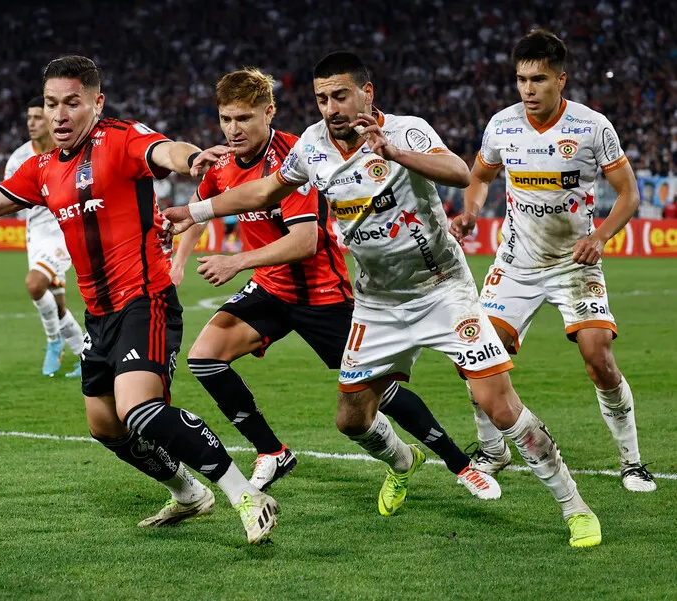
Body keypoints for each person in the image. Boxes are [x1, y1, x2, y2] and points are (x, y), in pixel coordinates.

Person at [164, 51, 601, 548]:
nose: (331, 107)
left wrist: (393, 153)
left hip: (442, 291)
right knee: (350, 419)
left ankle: (574, 506)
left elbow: (457, 172)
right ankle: (401, 461)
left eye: (341, 95)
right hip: (377, 304)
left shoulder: (407, 130)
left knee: (499, 407)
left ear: (366, 93)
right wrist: (194, 210)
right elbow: (265, 191)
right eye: (322, 98)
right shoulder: (311, 145)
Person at [0, 55, 279, 544]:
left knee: (138, 408)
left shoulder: (120, 139)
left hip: (146, 300)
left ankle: (245, 495)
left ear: (96, 104)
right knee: (105, 426)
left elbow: (166, 151)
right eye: (51, 104)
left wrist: (191, 161)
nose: (59, 115)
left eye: (71, 104)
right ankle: (188, 493)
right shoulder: (41, 170)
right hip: (99, 314)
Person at [170, 68, 500, 499]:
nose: (233, 130)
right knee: (205, 358)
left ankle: (459, 464)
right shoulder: (223, 165)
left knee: (380, 391)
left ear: (269, 112)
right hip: (272, 290)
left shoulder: (297, 155)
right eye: (226, 120)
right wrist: (178, 262)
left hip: (321, 294)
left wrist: (238, 261)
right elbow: (201, 209)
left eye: (244, 119)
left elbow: (305, 241)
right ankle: (272, 451)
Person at [451, 29, 655, 493]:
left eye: (538, 79)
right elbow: (480, 176)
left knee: (598, 357)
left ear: (561, 80)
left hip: (574, 263)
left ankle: (632, 461)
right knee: (475, 356)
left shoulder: (592, 127)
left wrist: (601, 236)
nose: (527, 90)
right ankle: (492, 449)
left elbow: (629, 194)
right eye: (521, 79)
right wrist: (470, 211)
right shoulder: (502, 125)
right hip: (516, 263)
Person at [5, 96, 83, 377]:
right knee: (56, 301)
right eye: (29, 118)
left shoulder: (72, 151)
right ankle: (85, 353)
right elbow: (10, 201)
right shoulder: (18, 159)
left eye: (38, 117)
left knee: (35, 284)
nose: (32, 123)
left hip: (66, 229)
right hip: (36, 233)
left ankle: (53, 342)